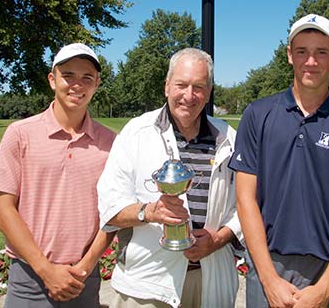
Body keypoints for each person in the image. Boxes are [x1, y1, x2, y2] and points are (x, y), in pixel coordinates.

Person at [229, 14, 329, 308]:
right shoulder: (257, 115)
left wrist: (325, 290)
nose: (311, 61)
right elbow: (245, 200)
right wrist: (269, 280)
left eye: (321, 52)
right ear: (289, 55)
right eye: (302, 51)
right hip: (269, 268)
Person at [97, 47, 241, 308]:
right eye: (181, 84)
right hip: (147, 287)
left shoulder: (228, 138)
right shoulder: (137, 132)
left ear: (208, 92)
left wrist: (218, 239)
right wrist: (150, 212)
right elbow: (108, 207)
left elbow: (246, 204)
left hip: (210, 281)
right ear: (166, 87)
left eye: (198, 86)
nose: (189, 95)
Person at [0, 43, 116, 307]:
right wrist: (45, 270)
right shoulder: (20, 134)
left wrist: (86, 266)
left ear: (97, 84)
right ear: (52, 79)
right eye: (68, 75)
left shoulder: (111, 143)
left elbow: (113, 212)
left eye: (87, 78)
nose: (77, 84)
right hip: (29, 278)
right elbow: (3, 208)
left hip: (84, 277)